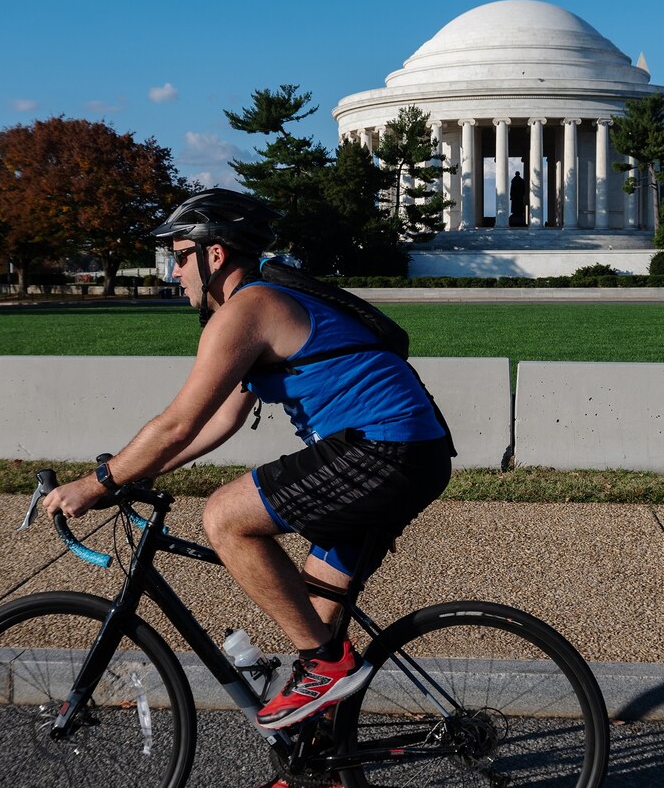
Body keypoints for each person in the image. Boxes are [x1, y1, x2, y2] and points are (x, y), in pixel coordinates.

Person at [43, 188, 453, 733]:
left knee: (225, 517)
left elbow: (177, 424)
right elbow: (218, 422)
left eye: (180, 255)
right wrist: (132, 473)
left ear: (215, 255)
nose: (175, 272)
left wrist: (97, 483)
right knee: (312, 623)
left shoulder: (250, 308)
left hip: (383, 449)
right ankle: (318, 764)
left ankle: (330, 667)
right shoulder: (260, 304)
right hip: (405, 454)